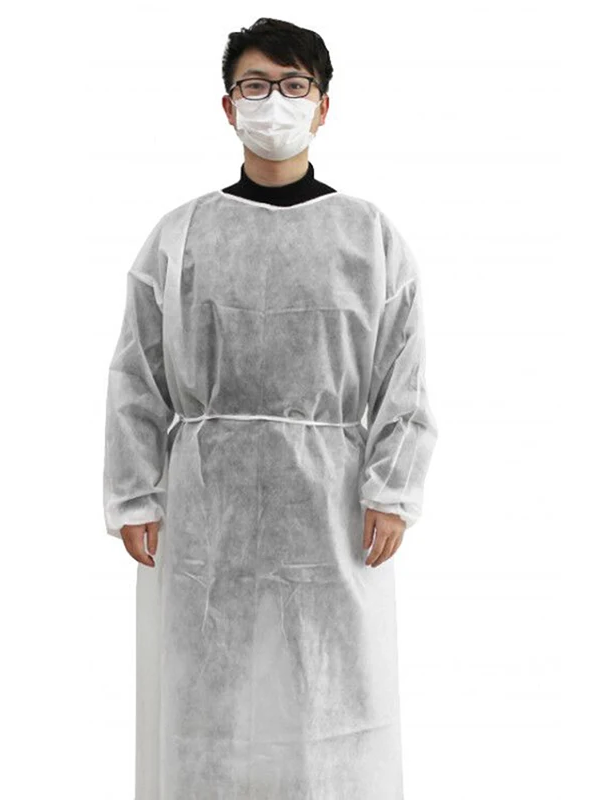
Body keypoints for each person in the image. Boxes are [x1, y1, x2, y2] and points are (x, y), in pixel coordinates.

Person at [103, 17, 439, 799]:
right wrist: (134, 493)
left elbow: (405, 374)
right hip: (205, 508)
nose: (274, 103)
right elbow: (136, 374)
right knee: (207, 702)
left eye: (293, 85)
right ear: (228, 106)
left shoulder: (369, 236)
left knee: (332, 690)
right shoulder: (180, 236)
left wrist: (393, 489)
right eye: (255, 86)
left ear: (323, 105)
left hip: (332, 504)